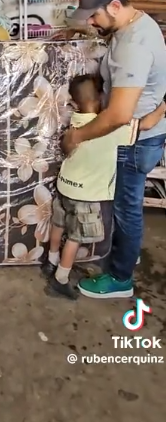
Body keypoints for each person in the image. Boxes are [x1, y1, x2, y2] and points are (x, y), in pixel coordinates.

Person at [62, 0, 166, 299]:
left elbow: (119, 115)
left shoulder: (133, 45)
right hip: (143, 131)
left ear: (116, 6)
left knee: (126, 208)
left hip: (133, 140)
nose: (92, 22)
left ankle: (120, 278)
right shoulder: (138, 25)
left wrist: (77, 136)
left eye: (95, 15)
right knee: (128, 205)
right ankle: (127, 252)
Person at [42, 73, 164, 300]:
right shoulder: (110, 129)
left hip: (65, 187)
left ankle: (50, 260)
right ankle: (60, 278)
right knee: (75, 237)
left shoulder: (75, 122)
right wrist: (162, 106)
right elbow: (146, 124)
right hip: (86, 195)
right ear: (100, 98)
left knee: (59, 224)